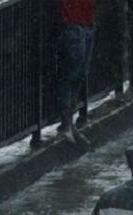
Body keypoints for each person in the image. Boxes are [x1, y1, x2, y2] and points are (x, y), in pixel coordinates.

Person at [57, 0, 95, 145]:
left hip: (86, 22)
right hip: (73, 23)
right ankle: (66, 124)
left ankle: (69, 123)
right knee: (71, 74)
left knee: (79, 74)